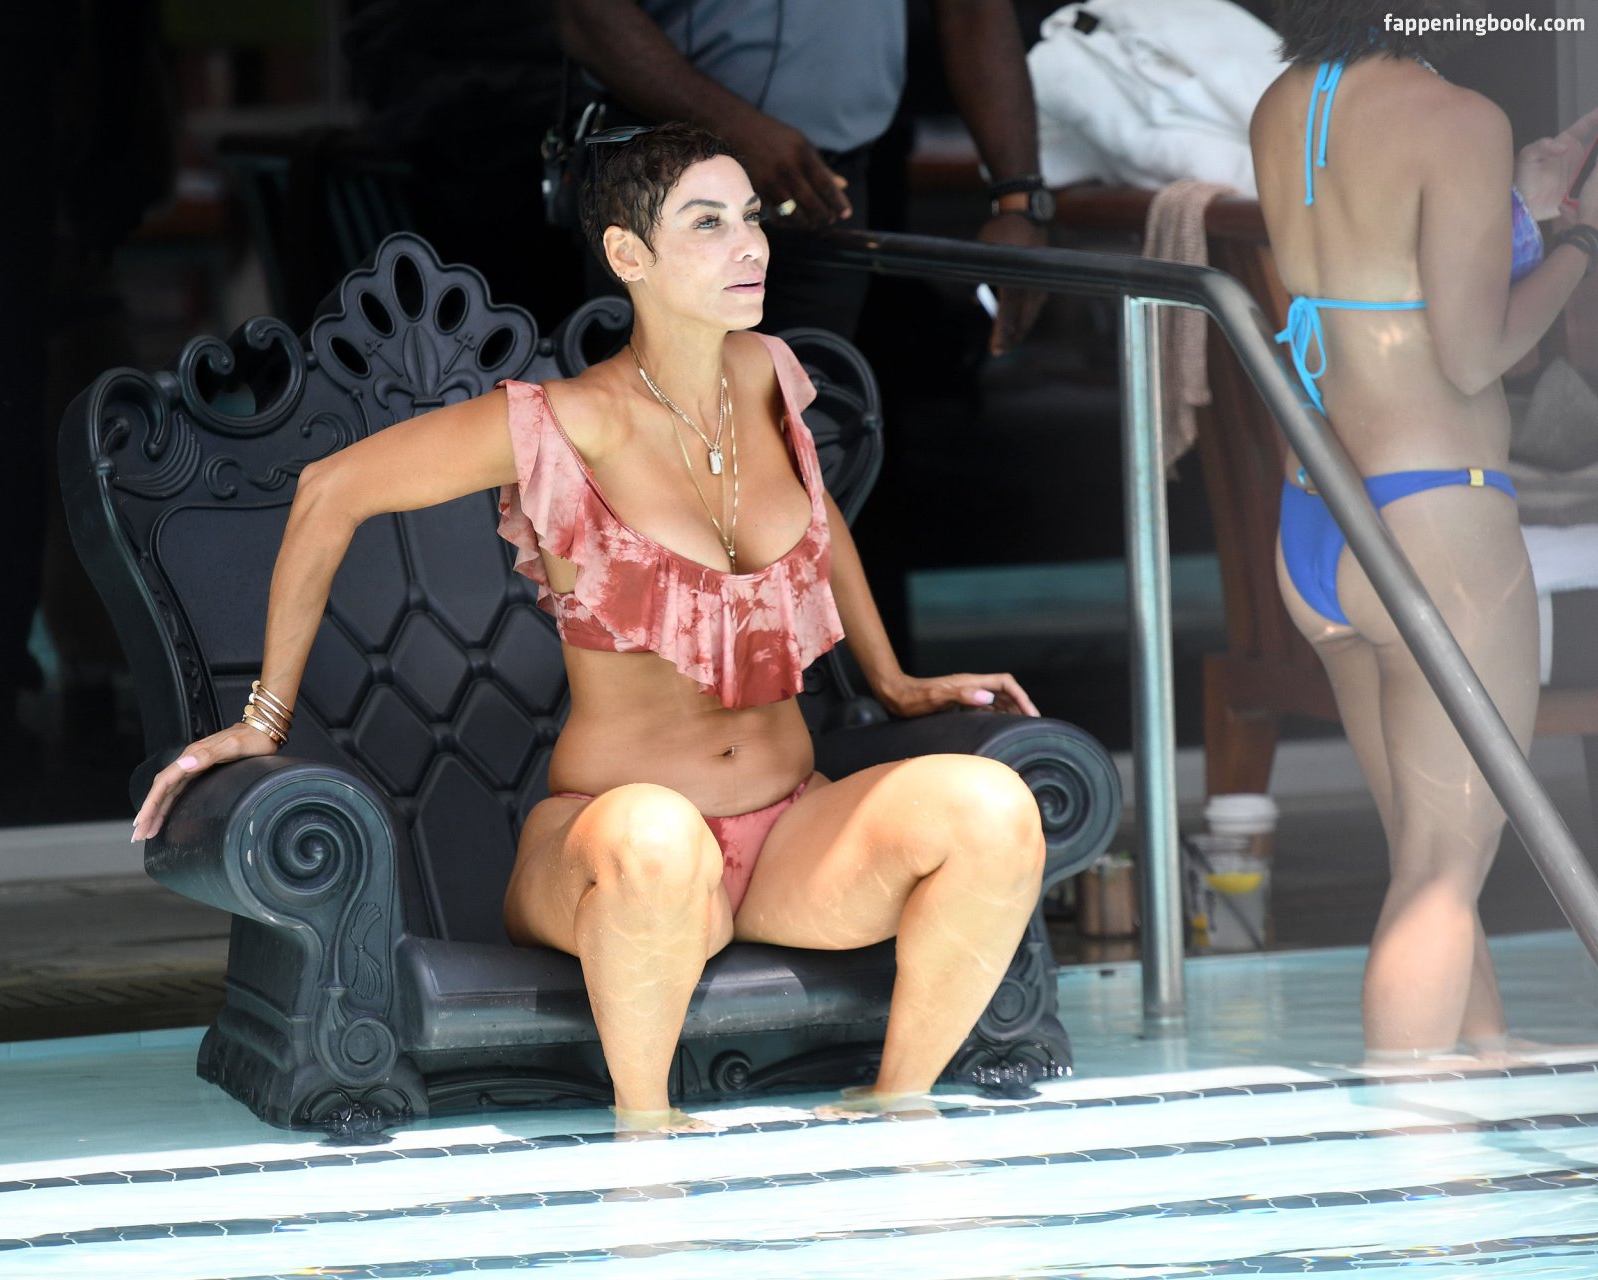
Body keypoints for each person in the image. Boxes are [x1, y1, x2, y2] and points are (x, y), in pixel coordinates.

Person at [130, 123, 1046, 1130]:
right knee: (657, 837)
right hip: (616, 850)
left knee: (993, 807)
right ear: (628, 255)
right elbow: (327, 491)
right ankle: (645, 1132)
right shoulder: (565, 422)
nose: (749, 244)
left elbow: (816, 518)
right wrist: (262, 719)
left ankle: (894, 1103)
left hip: (792, 831)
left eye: (752, 217)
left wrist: (892, 678)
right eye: (707, 223)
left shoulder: (765, 374)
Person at [1250, 1, 1598, 1066]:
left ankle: (1481, 1048)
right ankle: (1402, 1130)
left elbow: (1381, 278)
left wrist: (1519, 207)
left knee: (1427, 844)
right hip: (1434, 513)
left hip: (1320, 513)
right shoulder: (1459, 117)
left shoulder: (1285, 103)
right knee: (1446, 862)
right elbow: (1475, 351)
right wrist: (1580, 242)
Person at [556, 0, 1051, 348]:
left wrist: (1019, 199)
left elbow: (972, 10)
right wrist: (733, 129)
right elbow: (585, 14)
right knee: (651, 438)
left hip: (827, 187)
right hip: (663, 176)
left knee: (810, 431)